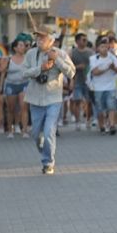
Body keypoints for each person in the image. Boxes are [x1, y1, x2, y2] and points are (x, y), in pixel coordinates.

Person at [23, 26, 76, 175]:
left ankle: (48, 162)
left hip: (53, 99)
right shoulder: (31, 54)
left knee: (48, 132)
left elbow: (71, 72)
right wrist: (40, 68)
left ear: (51, 40)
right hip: (35, 99)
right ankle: (44, 150)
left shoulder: (60, 53)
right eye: (37, 37)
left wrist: (56, 60)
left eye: (43, 37)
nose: (39, 40)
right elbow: (23, 73)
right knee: (36, 135)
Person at [89, 37, 117, 135]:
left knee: (111, 105)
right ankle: (102, 125)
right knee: (100, 108)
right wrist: (107, 68)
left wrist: (113, 68)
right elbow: (95, 72)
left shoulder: (112, 57)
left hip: (111, 86)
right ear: (98, 48)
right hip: (98, 88)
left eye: (106, 46)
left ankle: (112, 125)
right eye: (102, 46)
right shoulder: (93, 58)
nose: (104, 48)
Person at [0, 39, 30, 138]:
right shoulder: (9, 59)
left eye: (23, 45)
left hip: (24, 84)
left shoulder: (27, 58)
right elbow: (1, 71)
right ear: (15, 48)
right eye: (20, 45)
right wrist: (1, 62)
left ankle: (24, 131)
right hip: (11, 85)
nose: (23, 47)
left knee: (23, 107)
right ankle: (10, 131)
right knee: (11, 109)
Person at [70, 33, 94, 131]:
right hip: (77, 80)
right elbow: (69, 67)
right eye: (83, 40)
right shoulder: (72, 53)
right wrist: (77, 67)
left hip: (88, 81)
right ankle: (77, 121)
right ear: (77, 41)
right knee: (77, 101)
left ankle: (88, 120)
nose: (85, 41)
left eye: (86, 39)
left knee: (89, 102)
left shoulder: (91, 52)